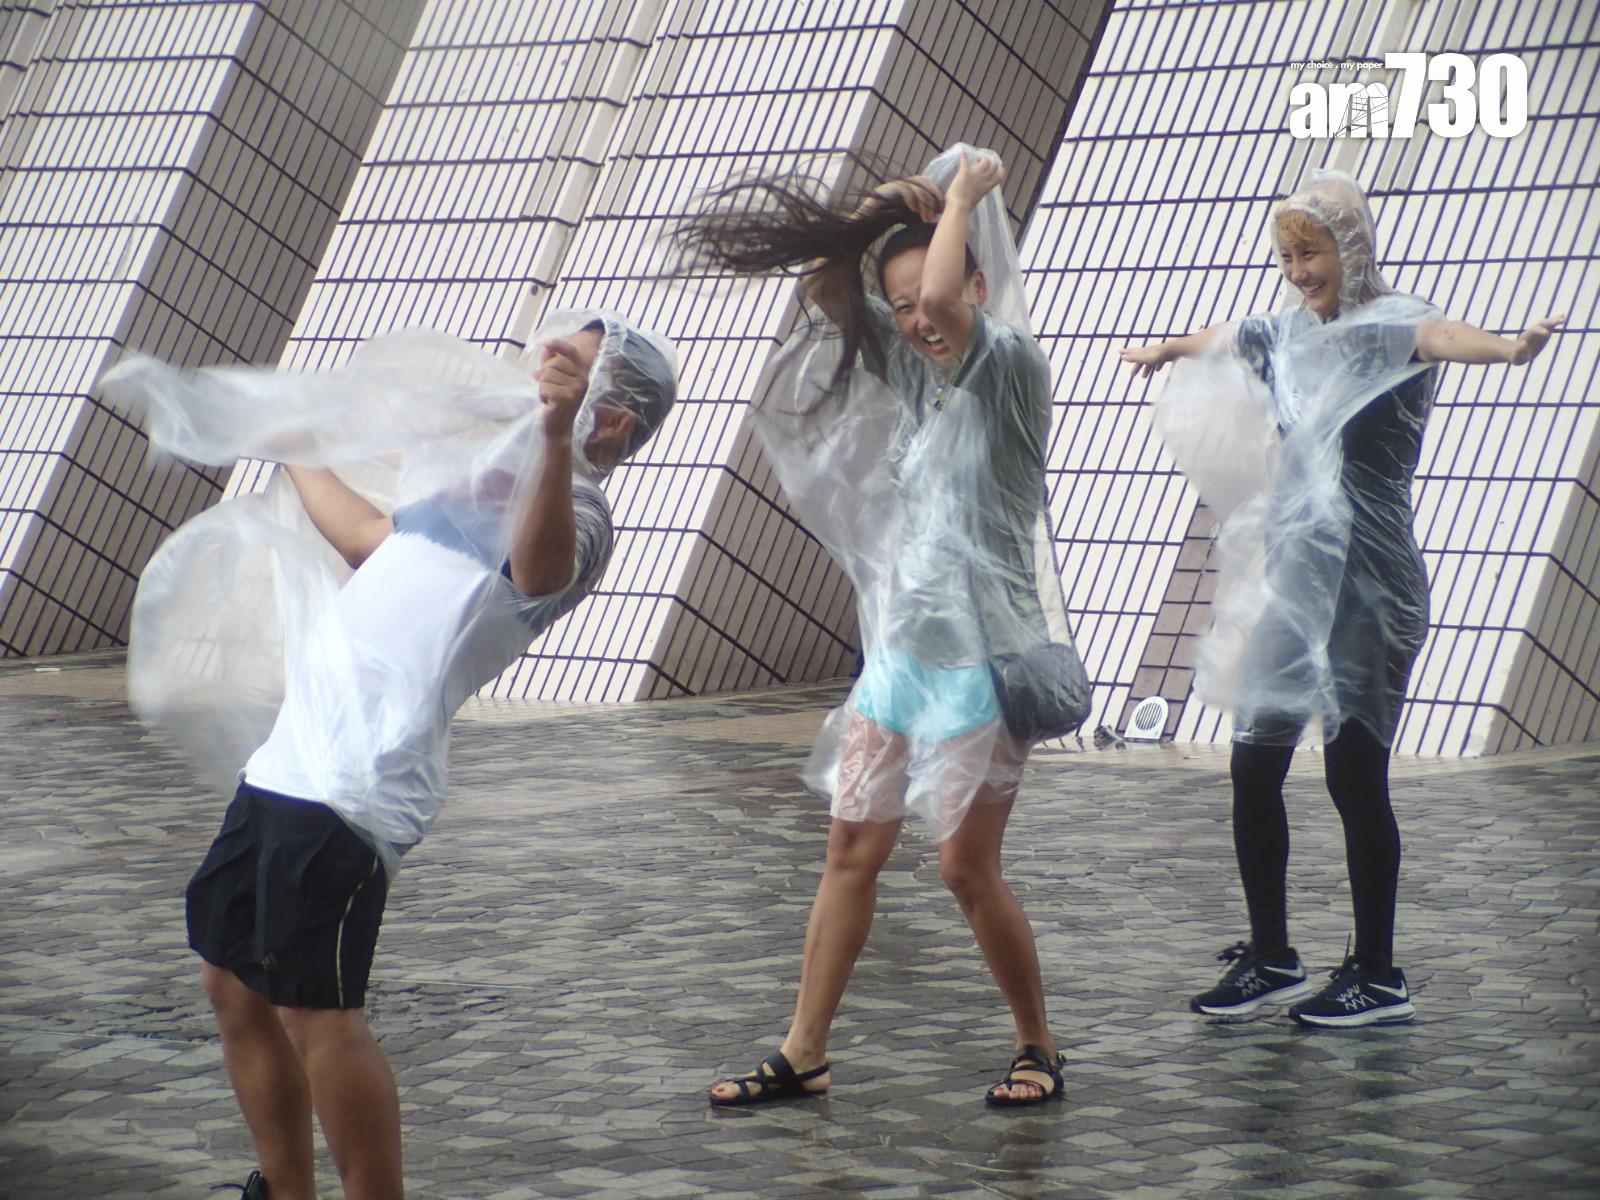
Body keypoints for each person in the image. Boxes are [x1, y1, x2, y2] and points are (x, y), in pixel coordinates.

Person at [100, 314, 676, 1197]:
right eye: (546, 357)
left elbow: (540, 572)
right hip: (288, 762)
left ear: (613, 420)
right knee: (232, 983)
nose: (536, 370)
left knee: (317, 1012)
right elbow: (369, 539)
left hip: (356, 785)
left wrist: (556, 435)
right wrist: (295, 443)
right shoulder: (471, 484)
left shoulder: (579, 511)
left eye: (568, 370)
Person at [676, 147, 1087, 1106]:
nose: (916, 320)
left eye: (928, 301)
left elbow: (940, 298)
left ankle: (1038, 1044)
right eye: (898, 307)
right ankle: (804, 1051)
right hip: (903, 657)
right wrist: (868, 214)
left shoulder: (1010, 366)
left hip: (986, 660)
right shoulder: (916, 374)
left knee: (964, 868)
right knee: (848, 853)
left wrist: (965, 196)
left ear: (979, 285)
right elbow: (828, 294)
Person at [1119, 168, 1564, 1028]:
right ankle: (1272, 956)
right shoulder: (1286, 330)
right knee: (1253, 762)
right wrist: (1166, 350)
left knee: (1353, 775)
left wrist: (1511, 349)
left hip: (1371, 584)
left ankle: (1378, 974)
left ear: (1351, 248)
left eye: (1311, 253)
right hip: (1297, 581)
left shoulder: (1389, 325)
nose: (1298, 272)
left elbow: (1440, 336)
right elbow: (1228, 336)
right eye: (1287, 257)